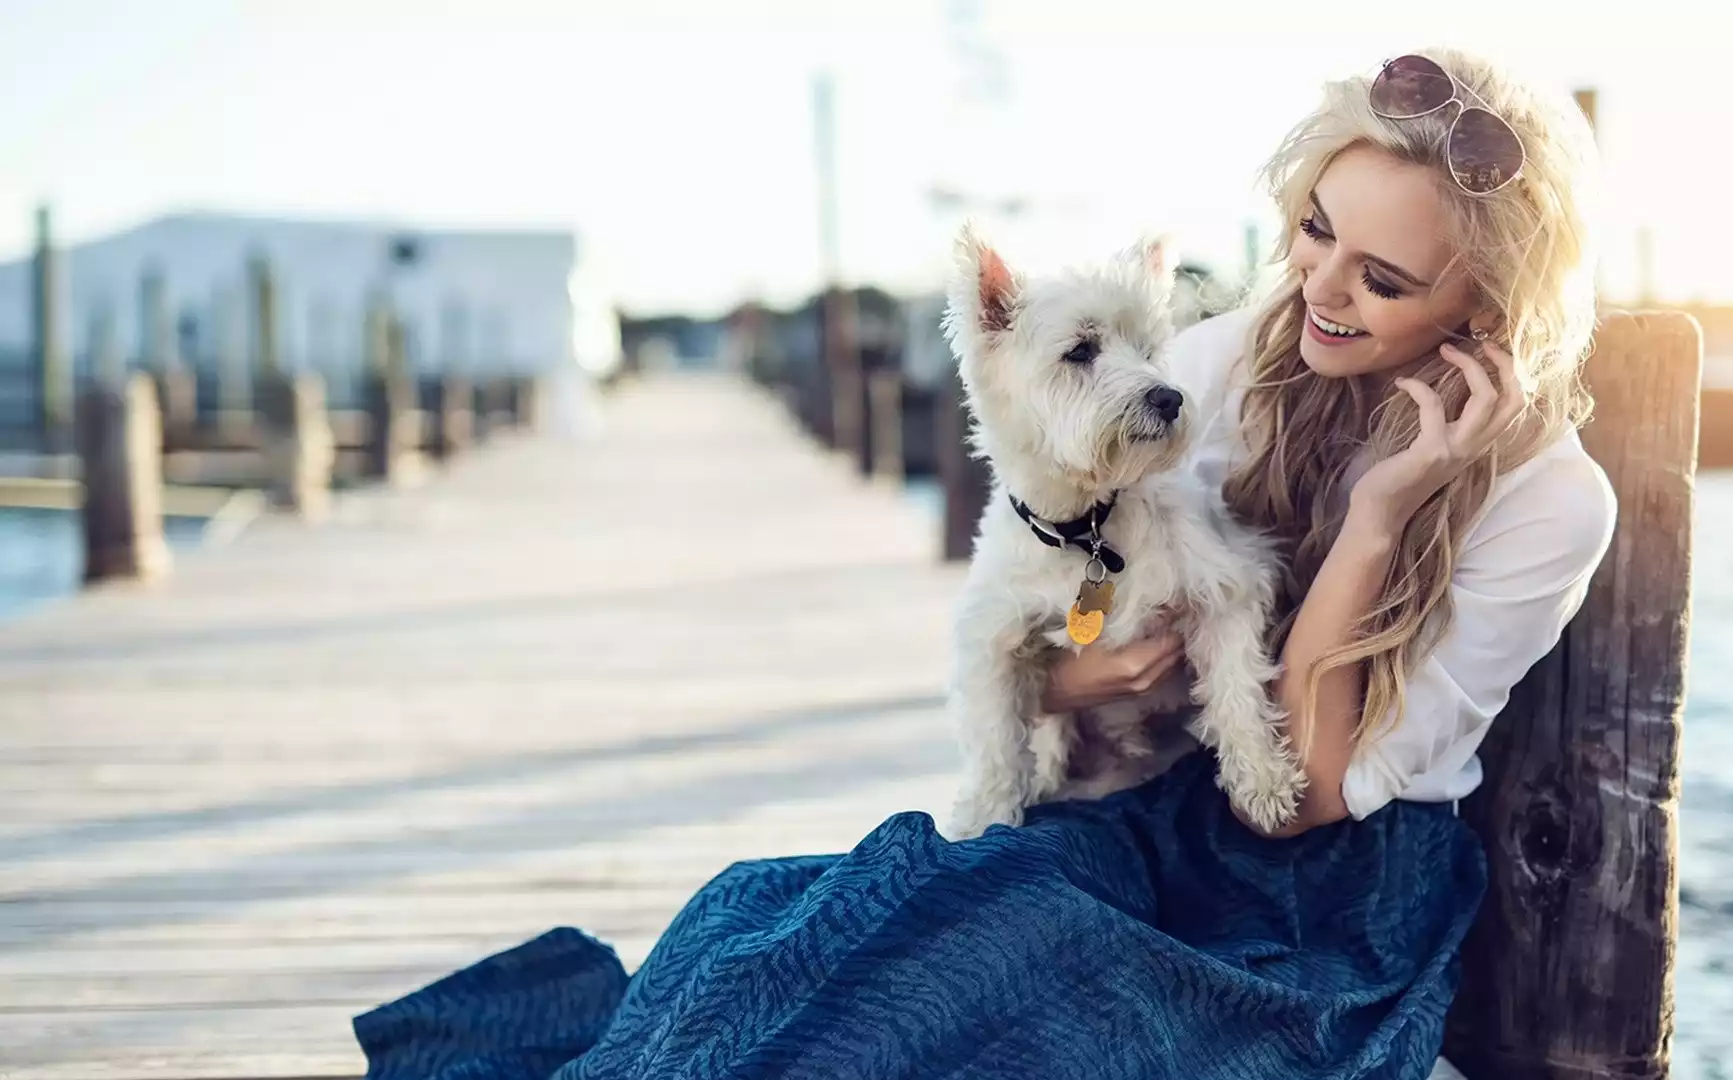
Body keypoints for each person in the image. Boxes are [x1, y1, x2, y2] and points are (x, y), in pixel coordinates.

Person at [356, 48, 1617, 1080]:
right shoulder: (1233, 356)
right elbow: (1079, 587)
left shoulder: (1550, 501)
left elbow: (1300, 794)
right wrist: (1070, 680)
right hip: (1148, 811)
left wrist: (1381, 520)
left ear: (1486, 310)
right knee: (820, 923)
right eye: (1313, 232)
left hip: (1327, 907)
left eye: (1382, 280)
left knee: (1010, 990)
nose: (1320, 290)